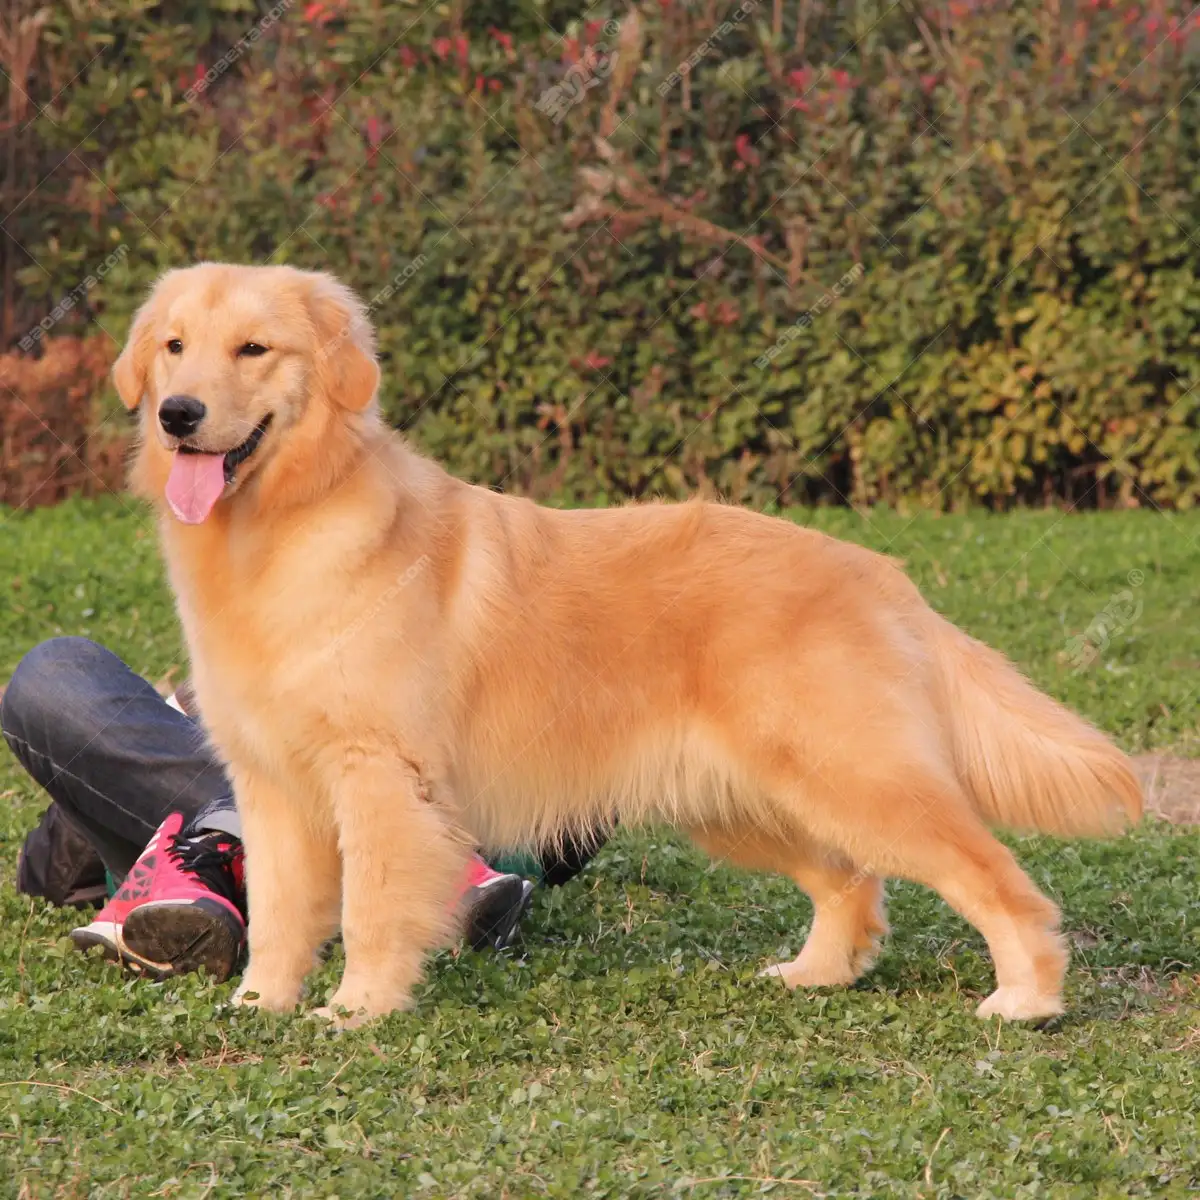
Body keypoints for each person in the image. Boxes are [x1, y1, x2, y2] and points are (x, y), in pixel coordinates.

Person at [1, 637, 604, 983]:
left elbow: (571, 814)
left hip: (421, 805)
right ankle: (233, 835)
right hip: (210, 830)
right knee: (55, 673)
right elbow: (50, 870)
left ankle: (409, 856)